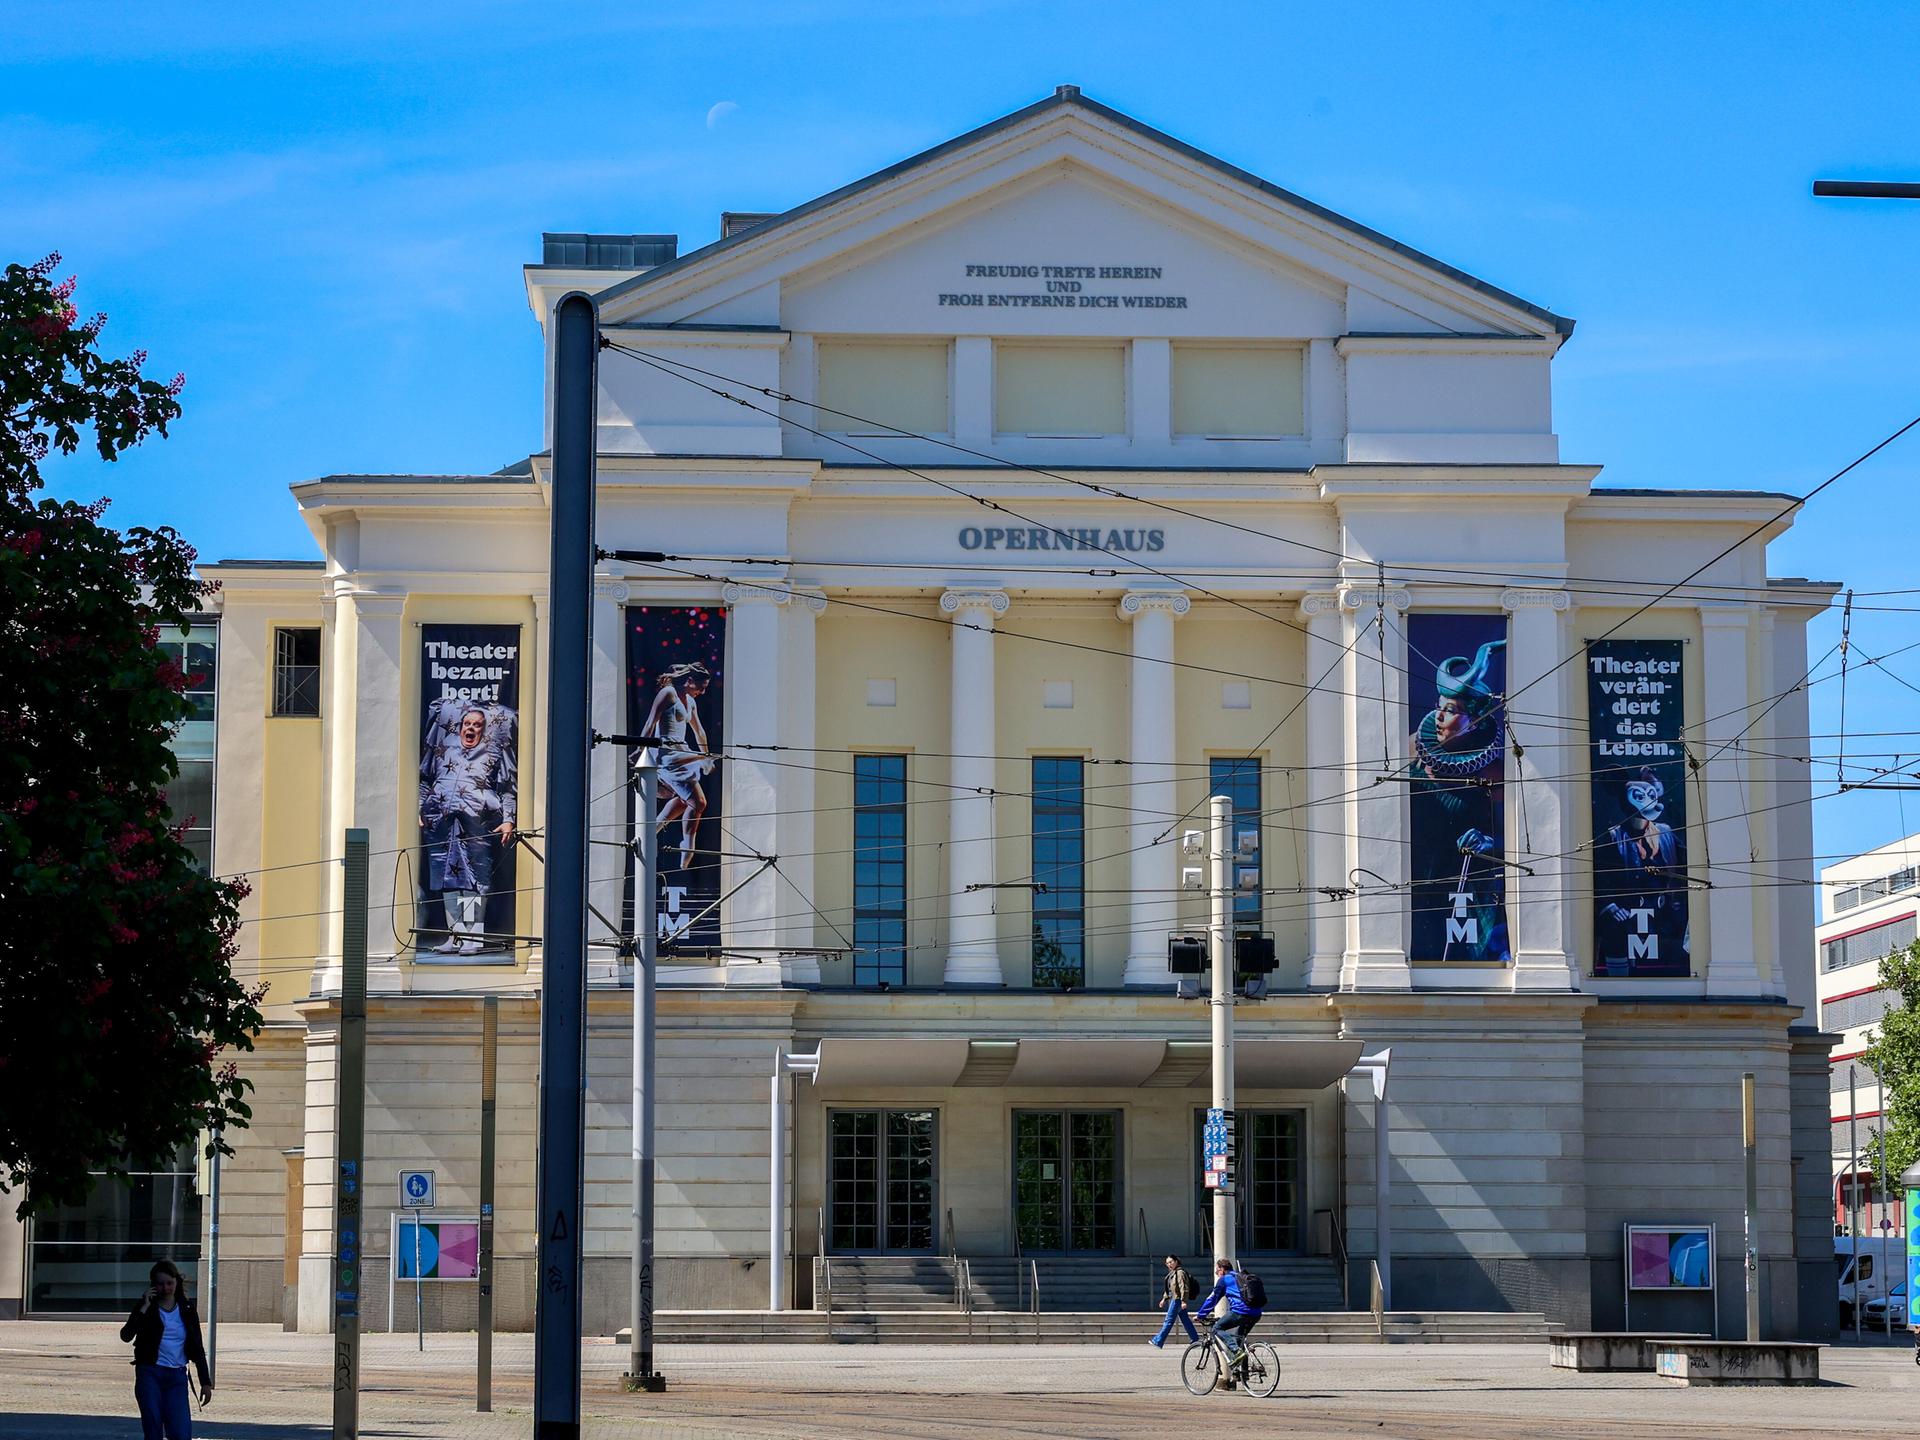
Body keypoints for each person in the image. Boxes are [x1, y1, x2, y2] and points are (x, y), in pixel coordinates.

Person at [1407, 637, 1510, 964]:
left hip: (1466, 884)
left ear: (1475, 721)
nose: (1439, 716)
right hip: (1418, 878)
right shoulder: (1413, 750)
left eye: (1451, 711)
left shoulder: (1494, 773)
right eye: (1439, 706)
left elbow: (1518, 839)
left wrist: (1489, 842)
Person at [418, 698, 517, 955]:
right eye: (467, 724)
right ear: (460, 726)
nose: (470, 728)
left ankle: (473, 936)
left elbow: (508, 787)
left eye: (477, 724)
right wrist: (420, 807)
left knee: (474, 879)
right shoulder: (445, 750)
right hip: (441, 820)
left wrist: (508, 819)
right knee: (447, 878)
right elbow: (426, 778)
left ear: (483, 729)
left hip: (476, 821)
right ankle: (456, 936)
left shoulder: (492, 753)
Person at [1595, 766, 1689, 975]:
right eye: (1639, 796)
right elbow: (1600, 876)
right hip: (1628, 915)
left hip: (1665, 914)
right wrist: (1611, 906)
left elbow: (1686, 864)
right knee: (1618, 945)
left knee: (1670, 964)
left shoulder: (1665, 832)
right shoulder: (1613, 837)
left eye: (1651, 795)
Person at [119, 1259, 212, 1439]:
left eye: (169, 1283)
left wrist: (205, 1382)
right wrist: (144, 1307)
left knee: (180, 1431)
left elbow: (197, 1348)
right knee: (153, 1425)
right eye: (160, 1284)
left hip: (176, 1377)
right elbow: (126, 1335)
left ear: (176, 1282)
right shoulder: (147, 1307)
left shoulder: (186, 1309)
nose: (165, 1288)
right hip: (150, 1374)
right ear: (153, 1285)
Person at [640, 662, 717, 873]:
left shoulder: (690, 701)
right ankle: (688, 846)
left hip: (682, 751)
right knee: (699, 802)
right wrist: (639, 748)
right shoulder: (668, 693)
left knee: (685, 801)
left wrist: (706, 757)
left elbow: (699, 731)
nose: (702, 692)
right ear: (689, 680)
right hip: (667, 753)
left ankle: (651, 830)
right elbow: (650, 723)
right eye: (701, 687)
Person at [1190, 1257, 1262, 1374]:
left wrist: (1200, 1315)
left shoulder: (1224, 1280)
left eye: (1217, 1270)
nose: (1216, 1273)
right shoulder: (1240, 1277)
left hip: (1240, 1312)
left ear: (1222, 1269)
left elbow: (1213, 1299)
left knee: (1216, 1328)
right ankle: (1243, 1373)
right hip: (1256, 1313)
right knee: (1240, 1337)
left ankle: (1236, 1351)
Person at [1148, 1253, 1200, 1347]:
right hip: (1175, 1299)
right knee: (1185, 1320)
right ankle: (1195, 1339)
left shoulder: (1180, 1273)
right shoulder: (1173, 1273)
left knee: (1169, 1320)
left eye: (1171, 1262)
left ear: (1176, 1261)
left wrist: (1183, 1301)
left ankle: (1158, 1341)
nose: (1169, 1264)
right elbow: (1170, 1289)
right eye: (1167, 1263)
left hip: (1177, 1300)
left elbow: (1183, 1287)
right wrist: (1164, 1299)